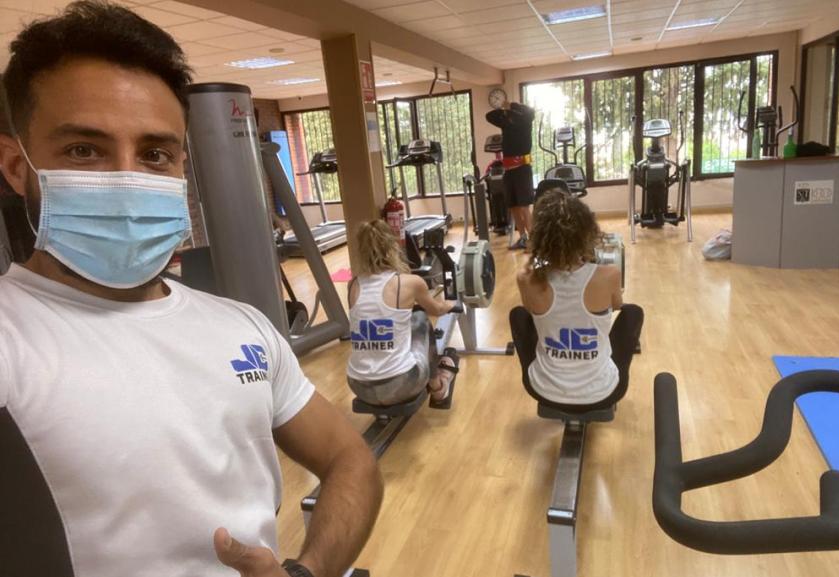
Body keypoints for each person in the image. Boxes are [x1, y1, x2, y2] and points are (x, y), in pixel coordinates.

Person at [0, 3, 381, 577]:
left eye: (154, 154)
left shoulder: (242, 326)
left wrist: (309, 571)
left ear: (182, 166)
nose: (127, 179)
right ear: (15, 166)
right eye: (84, 150)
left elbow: (351, 459)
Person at [509, 188, 644, 409]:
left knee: (519, 315)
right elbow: (617, 306)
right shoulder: (609, 275)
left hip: (542, 391)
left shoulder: (526, 279)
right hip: (604, 393)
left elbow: (531, 313)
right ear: (587, 234)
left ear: (539, 237)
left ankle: (552, 373)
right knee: (633, 312)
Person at [347, 220, 459, 407]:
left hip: (358, 385)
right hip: (401, 384)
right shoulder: (410, 282)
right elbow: (437, 310)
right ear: (392, 246)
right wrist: (450, 303)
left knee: (404, 322)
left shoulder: (353, 285)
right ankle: (438, 387)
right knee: (420, 318)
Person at [485, 100, 535, 250]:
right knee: (513, 206)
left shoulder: (525, 123)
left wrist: (512, 105)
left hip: (522, 170)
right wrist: (503, 109)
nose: (507, 116)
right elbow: (489, 116)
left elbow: (530, 112)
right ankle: (523, 238)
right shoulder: (506, 124)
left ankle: (533, 242)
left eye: (510, 114)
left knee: (524, 206)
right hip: (509, 171)